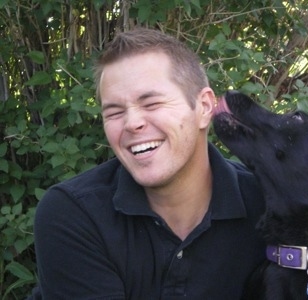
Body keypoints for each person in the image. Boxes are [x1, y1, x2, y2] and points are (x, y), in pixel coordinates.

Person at [31, 28, 267, 299]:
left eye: (152, 103)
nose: (132, 123)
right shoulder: (74, 214)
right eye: (115, 112)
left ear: (204, 107)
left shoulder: (268, 204)